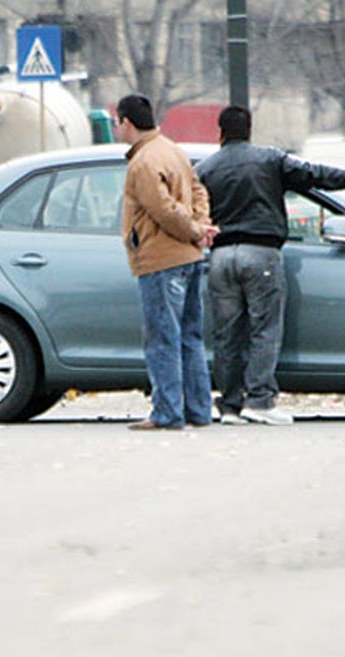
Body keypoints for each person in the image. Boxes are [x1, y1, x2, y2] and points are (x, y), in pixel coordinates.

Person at [196, 105, 345, 425]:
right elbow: (318, 176)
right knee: (264, 329)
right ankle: (259, 400)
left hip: (220, 258)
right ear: (249, 130)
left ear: (220, 133)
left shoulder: (205, 169)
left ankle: (230, 405)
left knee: (227, 335)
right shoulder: (270, 160)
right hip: (260, 254)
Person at [116, 93, 220, 431]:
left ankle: (167, 413)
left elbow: (161, 210)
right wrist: (201, 226)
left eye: (118, 123)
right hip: (190, 258)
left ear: (125, 123)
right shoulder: (173, 150)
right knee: (190, 336)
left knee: (162, 338)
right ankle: (199, 410)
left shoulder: (143, 162)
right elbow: (198, 190)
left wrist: (193, 230)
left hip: (160, 259)